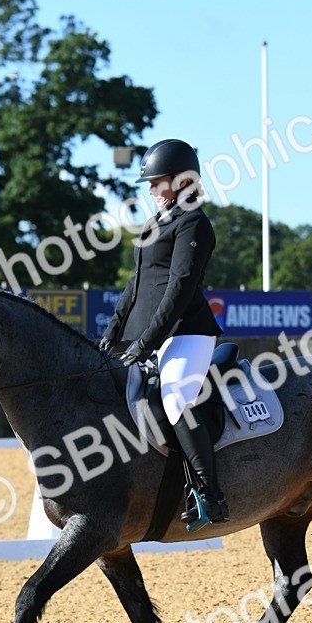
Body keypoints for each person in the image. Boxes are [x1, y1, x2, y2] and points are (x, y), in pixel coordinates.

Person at [100, 138, 228, 525]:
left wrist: (145, 343)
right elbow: (135, 283)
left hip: (187, 334)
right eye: (151, 185)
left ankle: (210, 494)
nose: (152, 191)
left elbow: (179, 288)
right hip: (151, 336)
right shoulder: (157, 223)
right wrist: (113, 329)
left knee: (174, 400)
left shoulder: (194, 223)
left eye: (158, 183)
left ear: (182, 180)